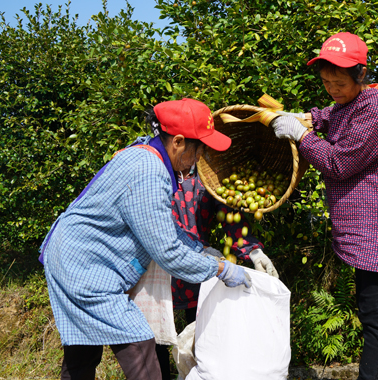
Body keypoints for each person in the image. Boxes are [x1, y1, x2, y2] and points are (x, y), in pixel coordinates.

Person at [39, 98, 252, 380]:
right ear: (178, 141)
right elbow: (168, 253)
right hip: (85, 267)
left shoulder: (146, 153)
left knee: (82, 353)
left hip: (71, 255)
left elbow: (162, 227)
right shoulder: (149, 172)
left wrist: (201, 249)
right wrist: (221, 268)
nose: (201, 157)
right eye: (200, 148)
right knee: (139, 345)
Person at [270, 32, 378, 380]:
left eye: (339, 82)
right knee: (376, 316)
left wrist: (301, 135)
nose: (332, 90)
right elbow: (329, 115)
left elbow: (339, 163)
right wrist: (305, 118)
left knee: (375, 316)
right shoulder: (351, 104)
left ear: (360, 74)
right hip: (372, 226)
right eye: (326, 83)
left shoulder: (377, 111)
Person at [145, 106, 279, 377]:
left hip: (199, 276)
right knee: (154, 349)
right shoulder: (152, 170)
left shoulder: (208, 175)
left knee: (201, 344)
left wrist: (253, 251)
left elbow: (231, 216)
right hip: (158, 278)